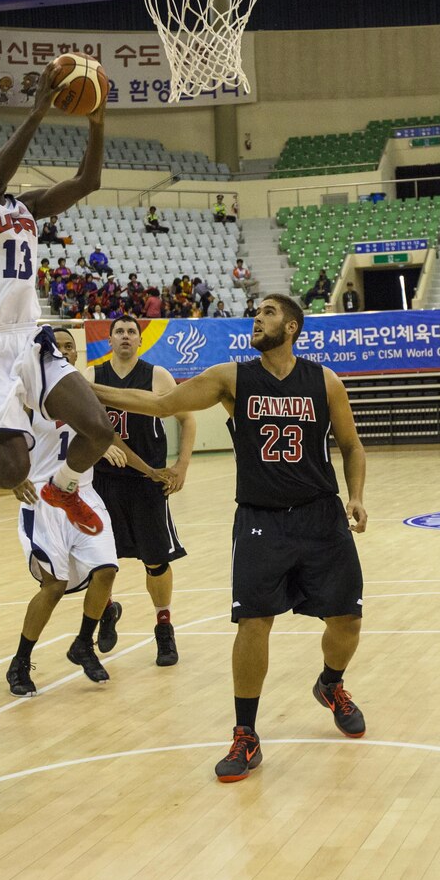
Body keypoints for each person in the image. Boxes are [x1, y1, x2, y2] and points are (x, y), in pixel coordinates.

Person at [91, 294, 367, 782]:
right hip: (261, 519)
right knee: (254, 624)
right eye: (255, 313)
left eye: (269, 313)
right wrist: (89, 392)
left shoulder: (324, 381)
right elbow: (160, 403)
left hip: (322, 517)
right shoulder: (232, 377)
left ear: (293, 327)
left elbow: (350, 445)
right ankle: (246, 734)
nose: (257, 319)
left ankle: (331, 684)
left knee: (346, 620)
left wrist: (357, 495)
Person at [0, 62, 115, 534]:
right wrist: (37, 111)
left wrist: (96, 121)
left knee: (99, 429)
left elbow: (87, 183)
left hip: (31, 339)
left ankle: (65, 485)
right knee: (12, 470)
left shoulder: (27, 206)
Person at [7, 328, 157, 693]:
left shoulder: (84, 392)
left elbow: (109, 435)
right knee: (54, 586)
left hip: (82, 492)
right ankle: (20, 662)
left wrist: (150, 471)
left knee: (108, 568)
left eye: (69, 345)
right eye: (56, 345)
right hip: (42, 497)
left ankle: (82, 644)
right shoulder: (26, 390)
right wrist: (12, 477)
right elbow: (4, 434)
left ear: (76, 354)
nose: (63, 349)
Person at [86, 315, 196, 666]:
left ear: (139, 340)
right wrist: (100, 445)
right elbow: (77, 422)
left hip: (148, 480)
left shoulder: (157, 376)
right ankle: (106, 611)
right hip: (103, 482)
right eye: (119, 331)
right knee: (100, 562)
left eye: (132, 332)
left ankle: (164, 627)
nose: (125, 336)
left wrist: (181, 466)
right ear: (110, 340)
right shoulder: (92, 377)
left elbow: (188, 419)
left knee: (156, 559)